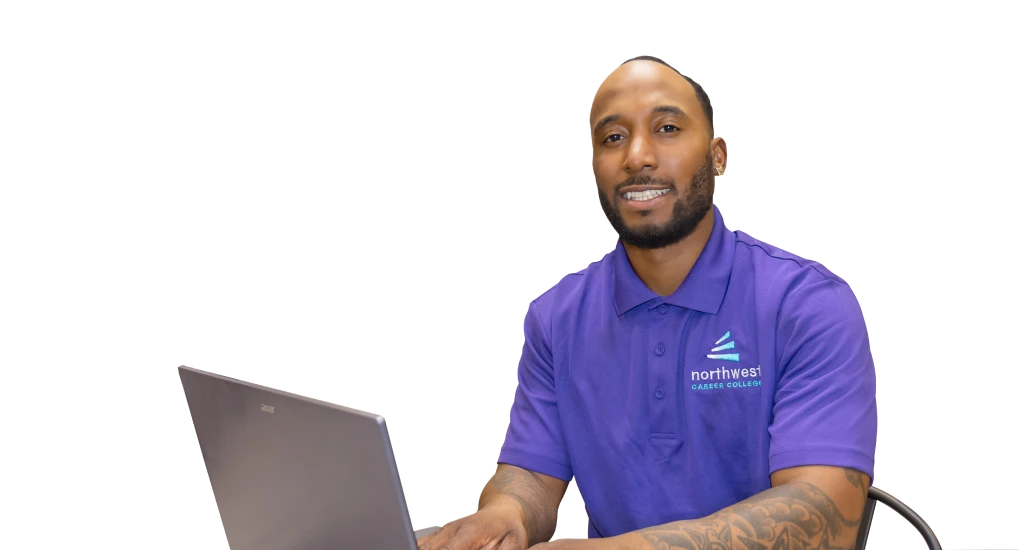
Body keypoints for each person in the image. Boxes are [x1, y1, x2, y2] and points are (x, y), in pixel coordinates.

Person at [417, 55, 878, 550]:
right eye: (612, 138)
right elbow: (532, 473)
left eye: (667, 127)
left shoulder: (806, 305)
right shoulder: (556, 318)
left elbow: (825, 519)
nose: (637, 156)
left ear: (718, 156)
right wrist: (504, 515)